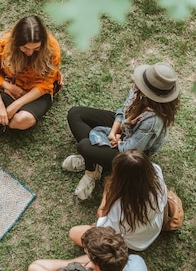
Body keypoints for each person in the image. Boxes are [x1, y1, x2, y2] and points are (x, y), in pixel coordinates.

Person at [63, 62, 179, 200]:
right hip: (125, 126)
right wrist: (113, 132)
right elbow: (123, 110)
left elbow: (130, 150)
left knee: (84, 146)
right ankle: (95, 161)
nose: (135, 83)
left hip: (131, 153)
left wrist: (117, 142)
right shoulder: (140, 88)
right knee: (75, 113)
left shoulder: (152, 121)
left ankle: (91, 171)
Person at [69, 149, 167, 251]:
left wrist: (107, 194)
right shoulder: (157, 171)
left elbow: (103, 222)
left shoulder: (121, 207)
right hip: (154, 227)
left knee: (74, 233)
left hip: (135, 242)